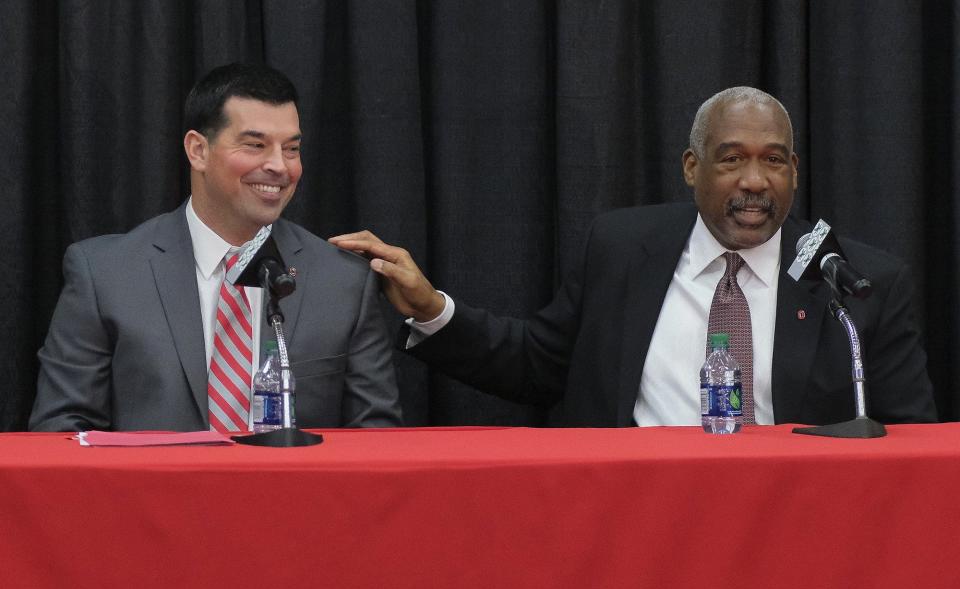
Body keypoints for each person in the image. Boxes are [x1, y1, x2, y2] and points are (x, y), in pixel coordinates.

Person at [330, 86, 937, 427]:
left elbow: (913, 441)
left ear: (795, 173)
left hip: (792, 529)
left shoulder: (856, 282)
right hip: (634, 520)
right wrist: (433, 309)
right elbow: (538, 367)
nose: (755, 180)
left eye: (773, 160)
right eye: (732, 159)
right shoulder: (623, 249)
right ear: (692, 168)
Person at [30, 63, 401, 432]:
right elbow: (61, 433)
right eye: (256, 145)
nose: (279, 166)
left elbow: (376, 442)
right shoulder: (105, 274)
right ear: (198, 150)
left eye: (291, 148)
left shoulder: (343, 280)